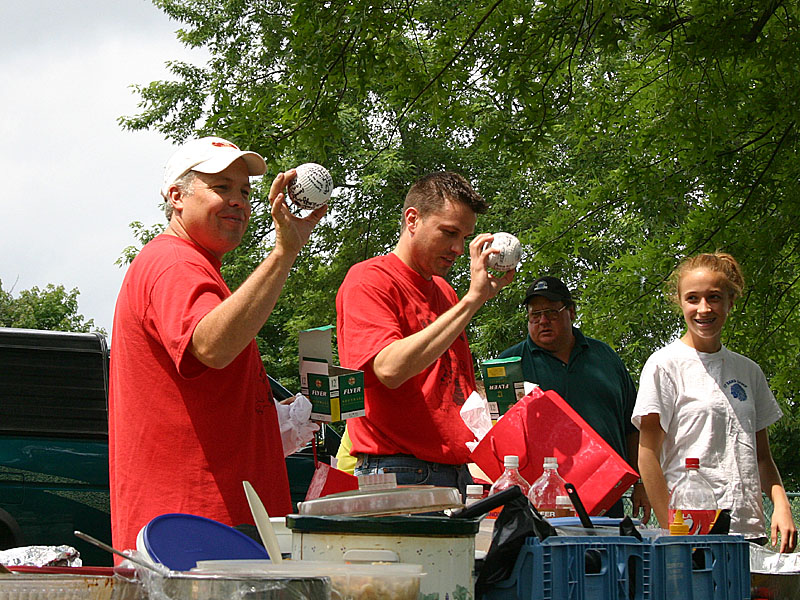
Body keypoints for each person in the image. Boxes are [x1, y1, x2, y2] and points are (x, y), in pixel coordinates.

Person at [108, 136, 326, 553]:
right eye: (221, 187)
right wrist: (284, 252)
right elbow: (211, 346)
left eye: (244, 191)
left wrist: (271, 423)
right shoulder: (175, 262)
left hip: (202, 527)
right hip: (196, 530)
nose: (238, 201)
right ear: (176, 196)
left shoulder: (191, 266)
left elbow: (205, 383)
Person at [335, 171, 514, 496]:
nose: (458, 248)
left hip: (456, 472)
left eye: (465, 237)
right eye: (449, 233)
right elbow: (389, 369)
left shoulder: (445, 292)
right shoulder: (369, 279)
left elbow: (452, 387)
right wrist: (473, 301)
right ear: (412, 219)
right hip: (397, 472)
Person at [634, 252, 796, 551]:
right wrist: (673, 530)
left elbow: (762, 457)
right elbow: (647, 455)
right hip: (694, 532)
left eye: (714, 297)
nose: (703, 309)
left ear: (730, 302)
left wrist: (781, 503)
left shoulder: (749, 371)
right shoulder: (664, 365)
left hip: (749, 531)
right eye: (693, 298)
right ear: (680, 301)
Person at [499, 276, 650, 521]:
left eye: (551, 312)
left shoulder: (606, 357)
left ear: (571, 311)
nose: (543, 321)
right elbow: (498, 437)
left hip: (607, 499)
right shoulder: (510, 365)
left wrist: (642, 483)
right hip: (539, 503)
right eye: (534, 315)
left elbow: (633, 428)